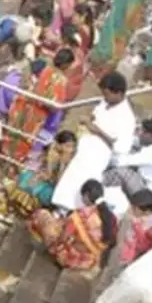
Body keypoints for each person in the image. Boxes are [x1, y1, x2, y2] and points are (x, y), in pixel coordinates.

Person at [52, 73, 136, 211]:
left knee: (80, 190)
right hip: (84, 152)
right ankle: (59, 209)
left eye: (107, 94)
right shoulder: (105, 103)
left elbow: (121, 147)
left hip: (96, 159)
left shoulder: (127, 118)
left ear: (119, 93)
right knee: (68, 184)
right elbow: (96, 115)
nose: (105, 97)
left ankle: (72, 215)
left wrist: (96, 130)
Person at [0, 49, 72, 164]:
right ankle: (13, 166)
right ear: (67, 65)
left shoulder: (44, 68)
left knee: (14, 132)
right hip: (37, 113)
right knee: (25, 139)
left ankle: (4, 158)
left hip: (23, 104)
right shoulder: (61, 80)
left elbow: (26, 83)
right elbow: (55, 105)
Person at [30, 180, 117, 271]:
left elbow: (62, 238)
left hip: (72, 259)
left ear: (87, 195)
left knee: (41, 214)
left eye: (82, 195)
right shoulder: (111, 217)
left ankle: (57, 257)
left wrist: (54, 246)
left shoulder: (81, 215)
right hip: (90, 262)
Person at [4, 131, 76, 219]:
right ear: (59, 144)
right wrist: (41, 175)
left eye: (72, 147)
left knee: (43, 191)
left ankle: (29, 210)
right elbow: (44, 168)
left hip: (56, 186)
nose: (70, 149)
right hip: (43, 176)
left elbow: (60, 180)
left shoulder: (70, 160)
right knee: (26, 179)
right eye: (67, 146)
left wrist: (62, 164)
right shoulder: (52, 152)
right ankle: (16, 206)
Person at [102, 118, 152, 201]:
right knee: (130, 153)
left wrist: (103, 157)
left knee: (121, 172)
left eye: (144, 132)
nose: (140, 134)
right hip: (148, 185)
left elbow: (120, 162)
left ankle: (95, 183)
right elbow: (131, 141)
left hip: (151, 195)